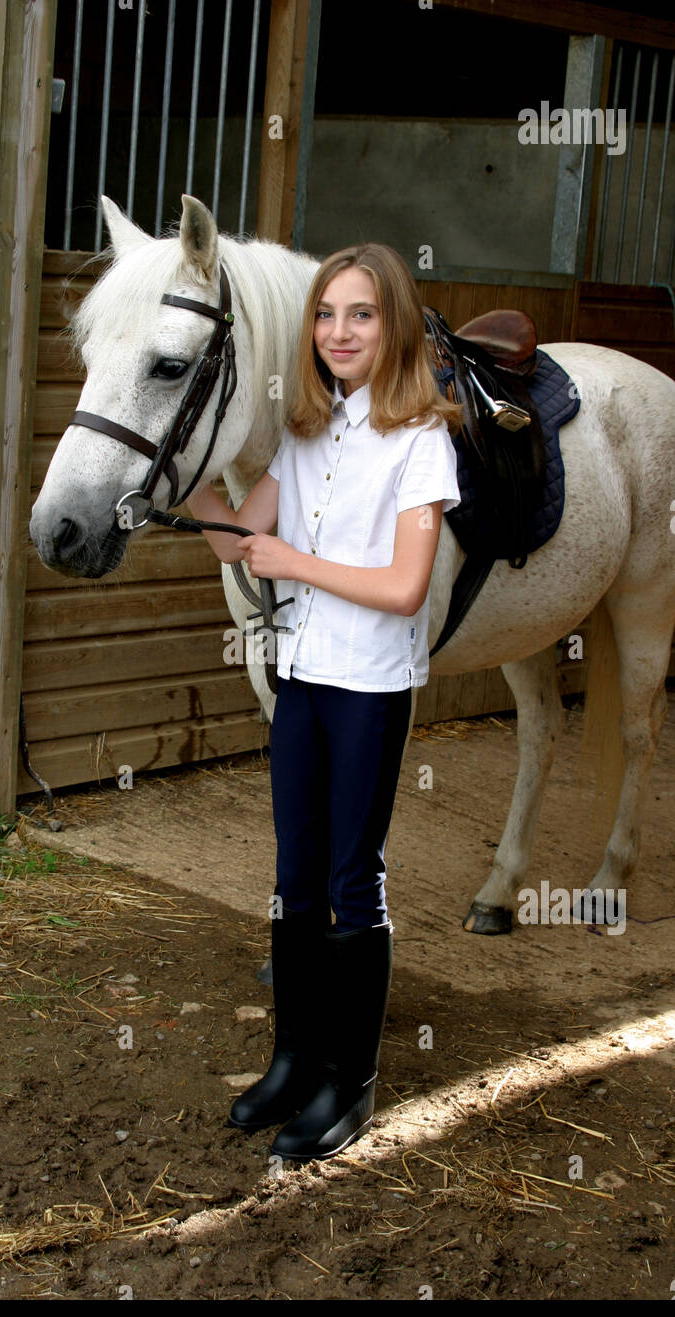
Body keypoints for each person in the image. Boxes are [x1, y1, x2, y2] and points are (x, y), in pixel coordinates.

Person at [187, 243, 463, 1161]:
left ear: (395, 327)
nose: (339, 332)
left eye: (361, 314)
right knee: (293, 876)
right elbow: (241, 539)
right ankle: (293, 1058)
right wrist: (173, 478)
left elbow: (406, 587)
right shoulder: (304, 432)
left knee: (352, 881)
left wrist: (295, 564)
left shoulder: (420, 440)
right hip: (301, 682)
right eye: (324, 315)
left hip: (369, 688)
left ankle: (350, 1082)